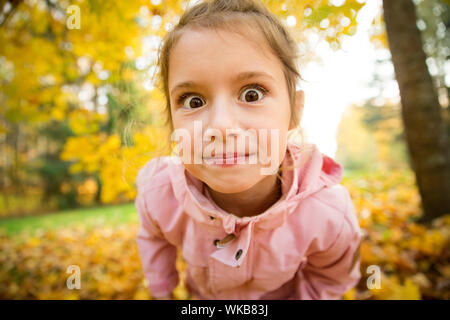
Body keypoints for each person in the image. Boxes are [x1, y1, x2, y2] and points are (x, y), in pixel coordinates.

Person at [135, 0, 362, 300]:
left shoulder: (328, 213)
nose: (221, 125)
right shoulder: (159, 193)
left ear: (294, 111)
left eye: (251, 93)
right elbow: (153, 237)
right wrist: (161, 291)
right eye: (193, 101)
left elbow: (331, 277)